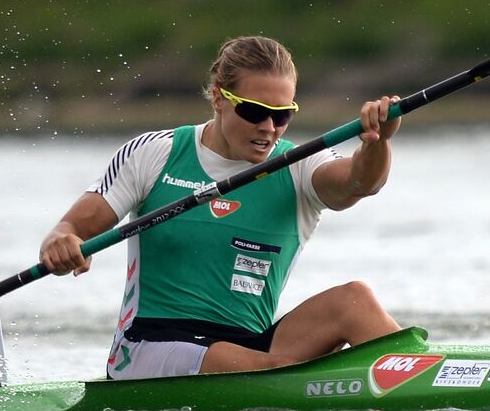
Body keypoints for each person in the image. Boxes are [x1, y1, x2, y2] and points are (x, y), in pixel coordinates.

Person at [38, 35, 403, 379]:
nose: (268, 128)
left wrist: (377, 142)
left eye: (282, 115)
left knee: (354, 300)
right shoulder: (155, 153)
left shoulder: (299, 164)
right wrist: (62, 243)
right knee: (273, 366)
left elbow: (359, 182)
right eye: (254, 112)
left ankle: (424, 373)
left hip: (251, 346)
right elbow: (72, 230)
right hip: (149, 346)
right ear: (218, 99)